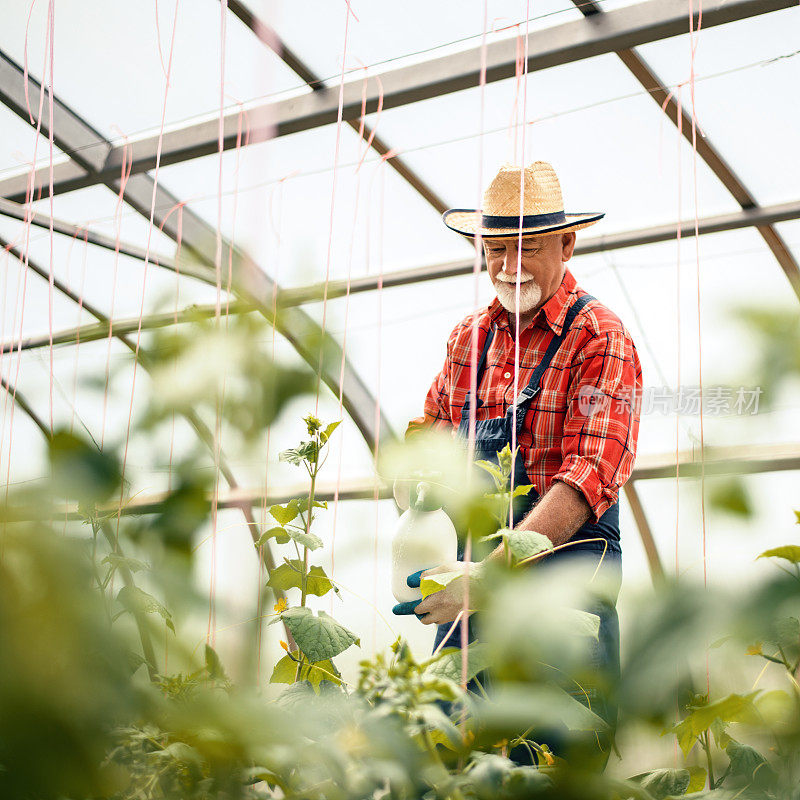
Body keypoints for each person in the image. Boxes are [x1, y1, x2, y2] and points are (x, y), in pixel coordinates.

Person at [392, 161, 643, 764]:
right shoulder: (468, 340)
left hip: (564, 591)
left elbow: (587, 478)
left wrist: (490, 576)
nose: (507, 267)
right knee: (443, 756)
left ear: (566, 243)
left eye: (525, 248)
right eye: (496, 249)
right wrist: (413, 486)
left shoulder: (599, 338)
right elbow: (428, 434)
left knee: (554, 761)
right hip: (472, 588)